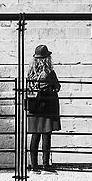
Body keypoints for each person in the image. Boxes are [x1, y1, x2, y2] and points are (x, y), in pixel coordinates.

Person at [24, 43, 62, 173]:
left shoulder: (31, 73)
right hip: (47, 107)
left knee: (35, 135)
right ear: (47, 58)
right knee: (46, 135)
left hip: (34, 107)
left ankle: (34, 166)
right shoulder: (49, 73)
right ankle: (46, 165)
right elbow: (57, 87)